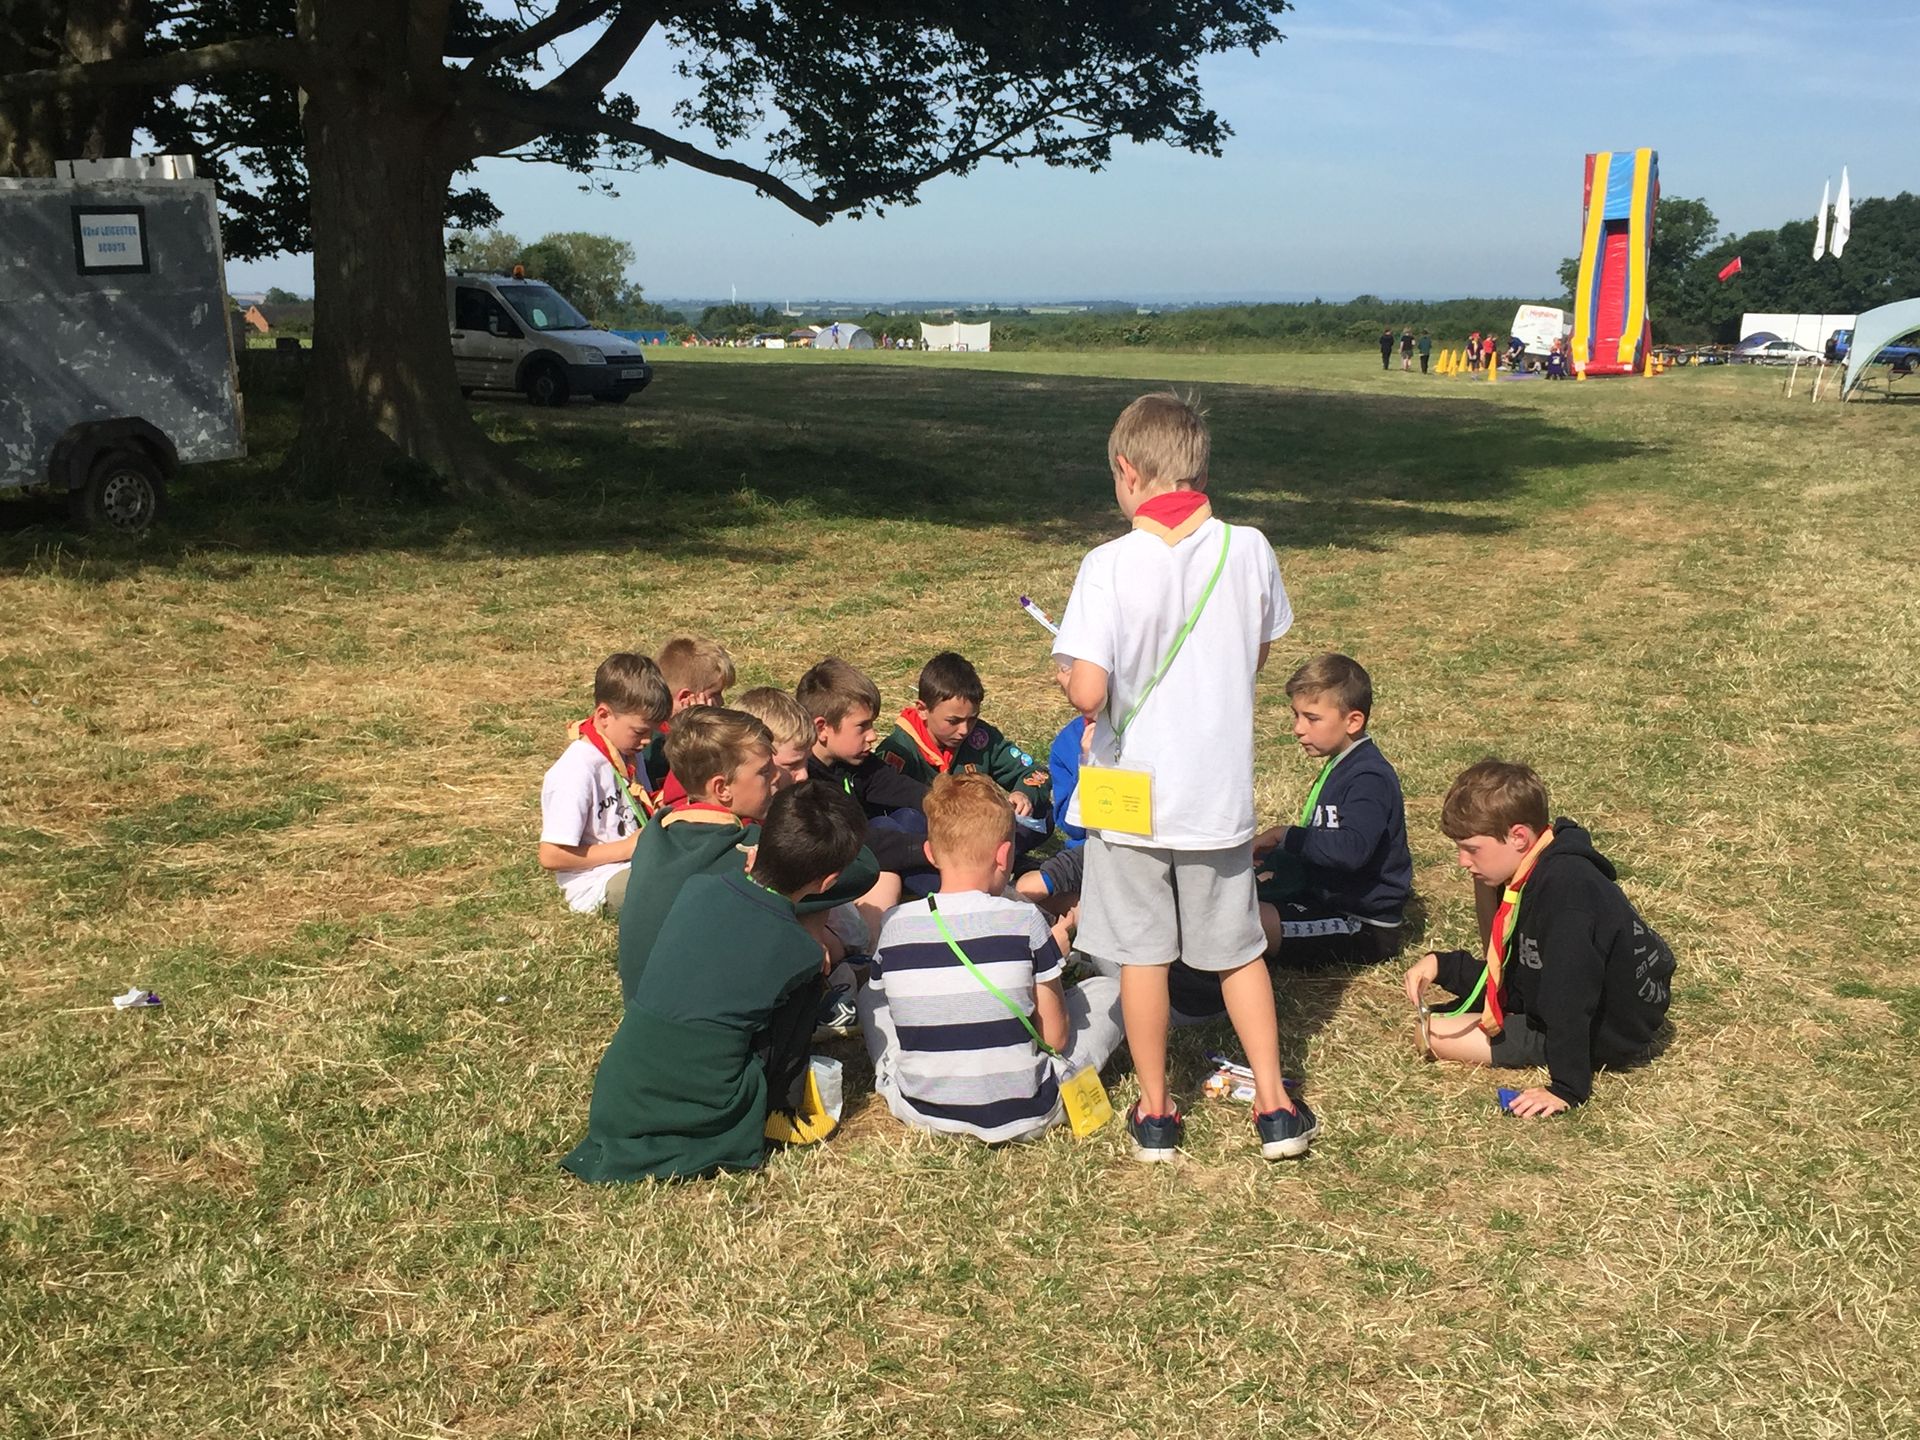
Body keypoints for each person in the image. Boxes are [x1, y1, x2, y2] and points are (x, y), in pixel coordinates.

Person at [1053, 391, 1317, 1162]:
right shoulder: (1252, 548)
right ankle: (1273, 1105)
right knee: (1236, 948)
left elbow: (1090, 693)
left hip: (1130, 795)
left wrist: (1067, 670)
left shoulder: (1105, 564)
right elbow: (1258, 654)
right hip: (1216, 792)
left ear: (1127, 471)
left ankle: (1158, 1112)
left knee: (1141, 953)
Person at [561, 783, 869, 1183]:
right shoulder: (799, 949)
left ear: (758, 843)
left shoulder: (698, 888)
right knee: (802, 995)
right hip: (709, 1105)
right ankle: (781, 1108)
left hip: (618, 1093)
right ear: (827, 883)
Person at [860, 773, 1125, 1143]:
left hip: (922, 1110)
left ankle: (914, 1072)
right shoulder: (1025, 919)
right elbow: (1056, 1037)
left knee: (871, 996)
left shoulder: (895, 924)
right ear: (1004, 854)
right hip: (1031, 1110)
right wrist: (1054, 956)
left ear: (930, 853)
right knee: (1109, 990)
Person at [1404, 760, 1675, 1116]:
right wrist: (1444, 965)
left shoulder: (1568, 898)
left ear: (1518, 837)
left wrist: (1566, 1087)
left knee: (1429, 1035)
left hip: (1606, 1029)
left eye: (1471, 849)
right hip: (1559, 999)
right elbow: (1520, 968)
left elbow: (1569, 997)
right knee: (1435, 1023)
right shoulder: (1530, 871)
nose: (1462, 861)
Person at [1169, 653, 1412, 1015]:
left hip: (1360, 926)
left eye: (1312, 718)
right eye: (1296, 716)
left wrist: (1287, 836)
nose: (1298, 728)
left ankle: (1202, 997)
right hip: (1320, 901)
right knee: (1230, 903)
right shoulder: (1342, 766)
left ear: (1353, 720)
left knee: (1240, 920)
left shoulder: (1368, 777)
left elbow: (1352, 850)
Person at [538, 653, 671, 914]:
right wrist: (628, 847)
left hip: (640, 863)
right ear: (604, 715)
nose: (647, 741)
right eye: (640, 731)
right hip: (597, 883)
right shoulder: (575, 771)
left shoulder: (628, 752)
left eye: (652, 732)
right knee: (667, 889)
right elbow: (550, 855)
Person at [874, 651, 1051, 832]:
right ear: (922, 710)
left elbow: (1036, 773)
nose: (964, 730)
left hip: (980, 830)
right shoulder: (899, 751)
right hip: (929, 837)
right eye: (953, 721)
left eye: (972, 719)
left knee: (1041, 813)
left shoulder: (981, 738)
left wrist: (1023, 794)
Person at [797, 656, 935, 883]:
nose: (872, 736)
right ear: (822, 728)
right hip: (834, 877)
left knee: (910, 816)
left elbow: (907, 790)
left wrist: (958, 808)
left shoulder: (857, 763)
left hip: (870, 855)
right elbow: (854, 842)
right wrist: (931, 849)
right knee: (886, 828)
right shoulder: (805, 781)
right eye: (862, 726)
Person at [643, 636, 736, 781]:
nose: (722, 701)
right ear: (686, 698)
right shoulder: (651, 745)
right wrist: (699, 730)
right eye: (715, 694)